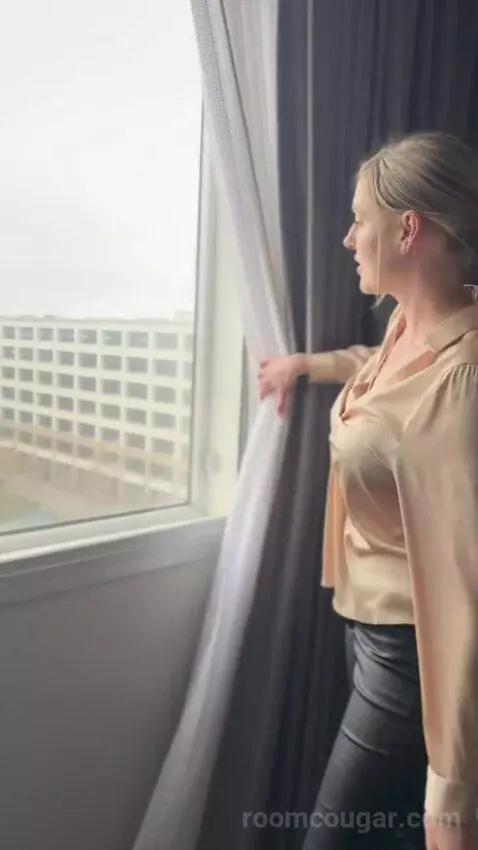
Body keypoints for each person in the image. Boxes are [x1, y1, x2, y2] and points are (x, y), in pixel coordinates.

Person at [258, 133, 478, 850]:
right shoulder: (409, 324)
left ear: (408, 229)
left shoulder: (463, 384)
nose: (349, 239)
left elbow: (463, 595)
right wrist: (306, 364)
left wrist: (452, 799)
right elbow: (380, 375)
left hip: (412, 654)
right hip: (370, 630)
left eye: (360, 221)